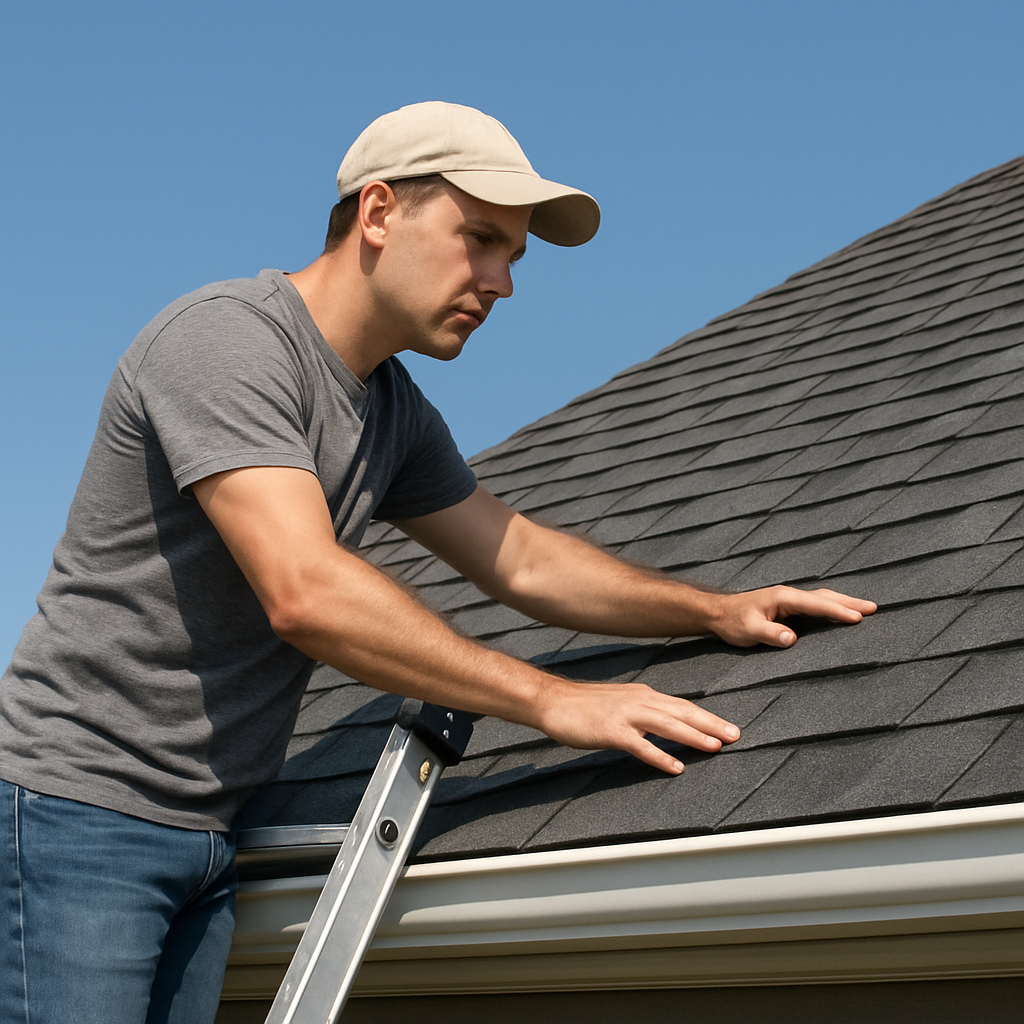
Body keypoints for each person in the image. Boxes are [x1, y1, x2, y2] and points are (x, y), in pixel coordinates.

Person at [0, 101, 875, 1023]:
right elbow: (306, 593)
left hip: (212, 833)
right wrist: (550, 700)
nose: (501, 282)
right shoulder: (226, 342)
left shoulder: (390, 409)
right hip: (76, 815)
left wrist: (714, 611)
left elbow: (522, 561)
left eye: (514, 257)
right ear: (378, 213)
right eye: (480, 239)